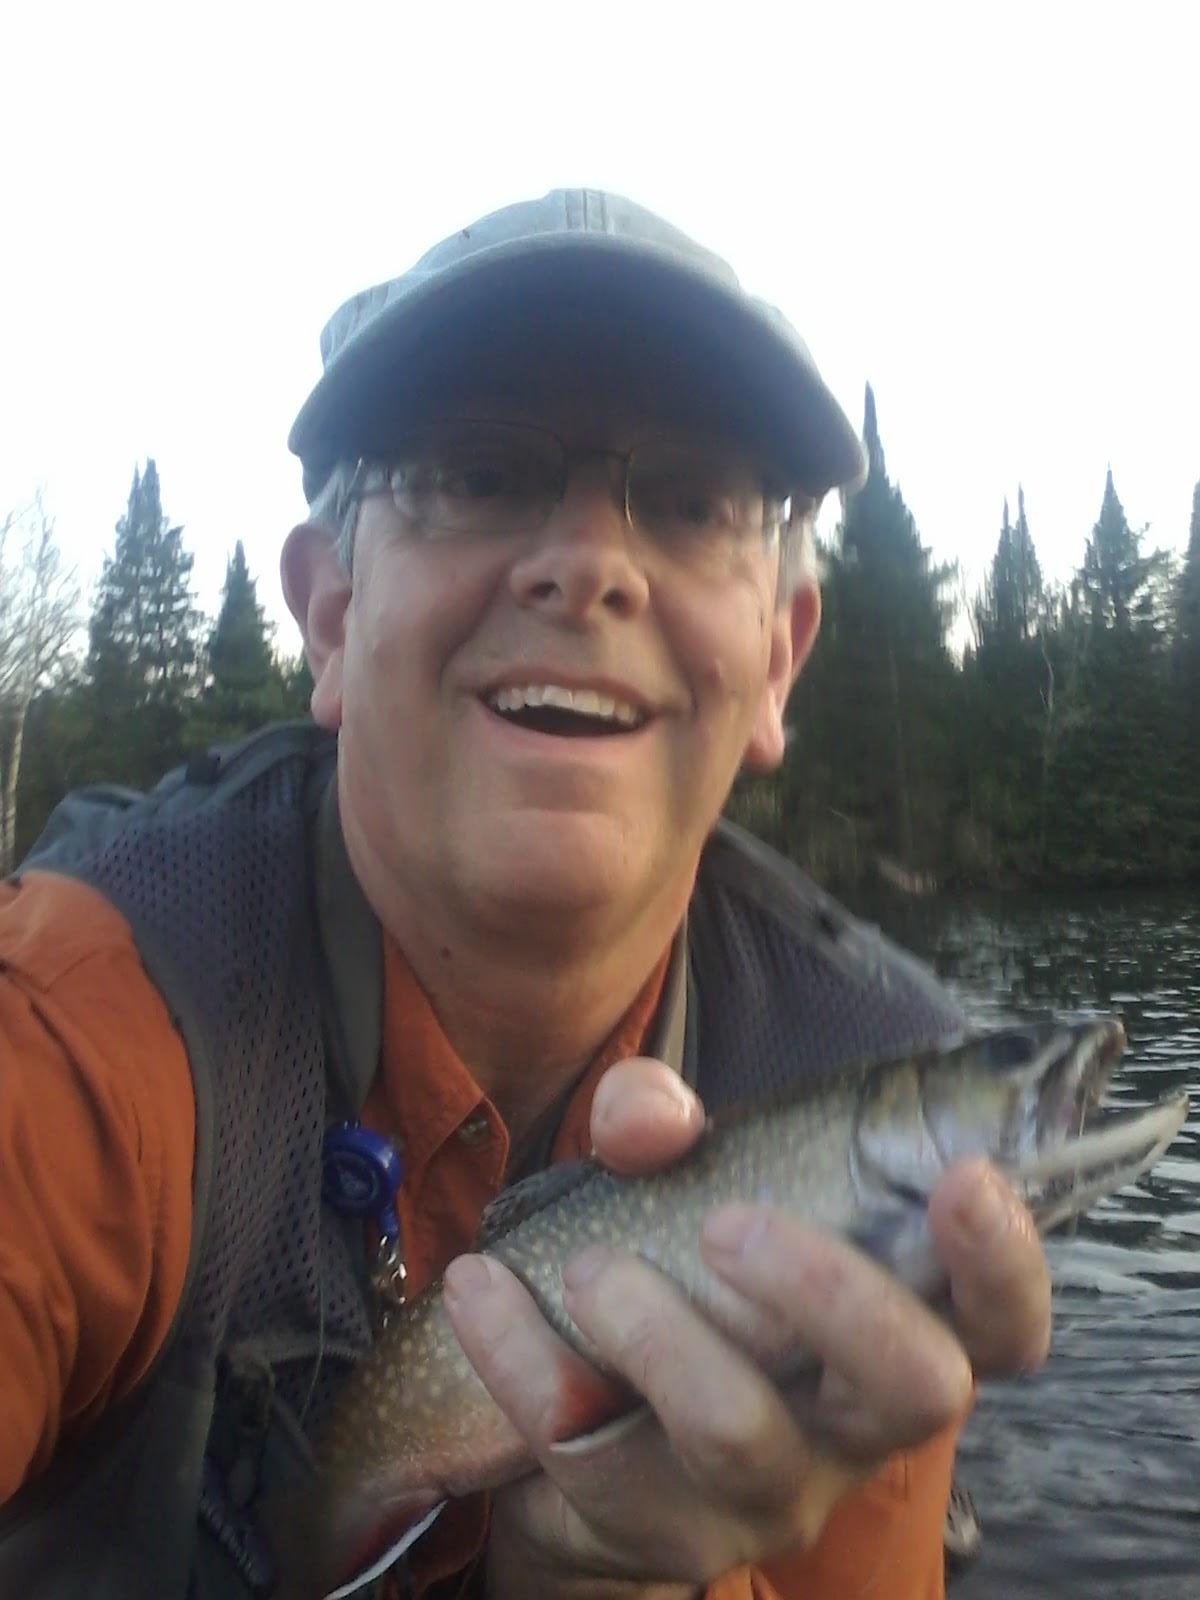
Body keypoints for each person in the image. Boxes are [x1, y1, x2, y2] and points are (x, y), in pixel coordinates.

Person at [0, 190, 1049, 1600]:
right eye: (479, 473)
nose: (593, 567)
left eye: (692, 502)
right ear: (330, 614)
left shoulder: (882, 1110)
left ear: (777, 661)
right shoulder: (82, 1020)